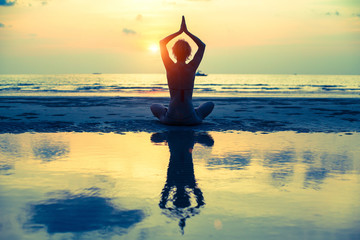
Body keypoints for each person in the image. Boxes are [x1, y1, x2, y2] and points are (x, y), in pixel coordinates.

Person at [150, 16, 214, 125]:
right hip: (190, 119)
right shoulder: (192, 66)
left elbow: (162, 43)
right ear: (189, 53)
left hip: (171, 118)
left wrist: (179, 32)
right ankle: (195, 111)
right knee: (210, 104)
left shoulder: (169, 66)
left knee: (154, 106)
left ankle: (167, 111)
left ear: (173, 52)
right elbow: (202, 46)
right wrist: (187, 32)